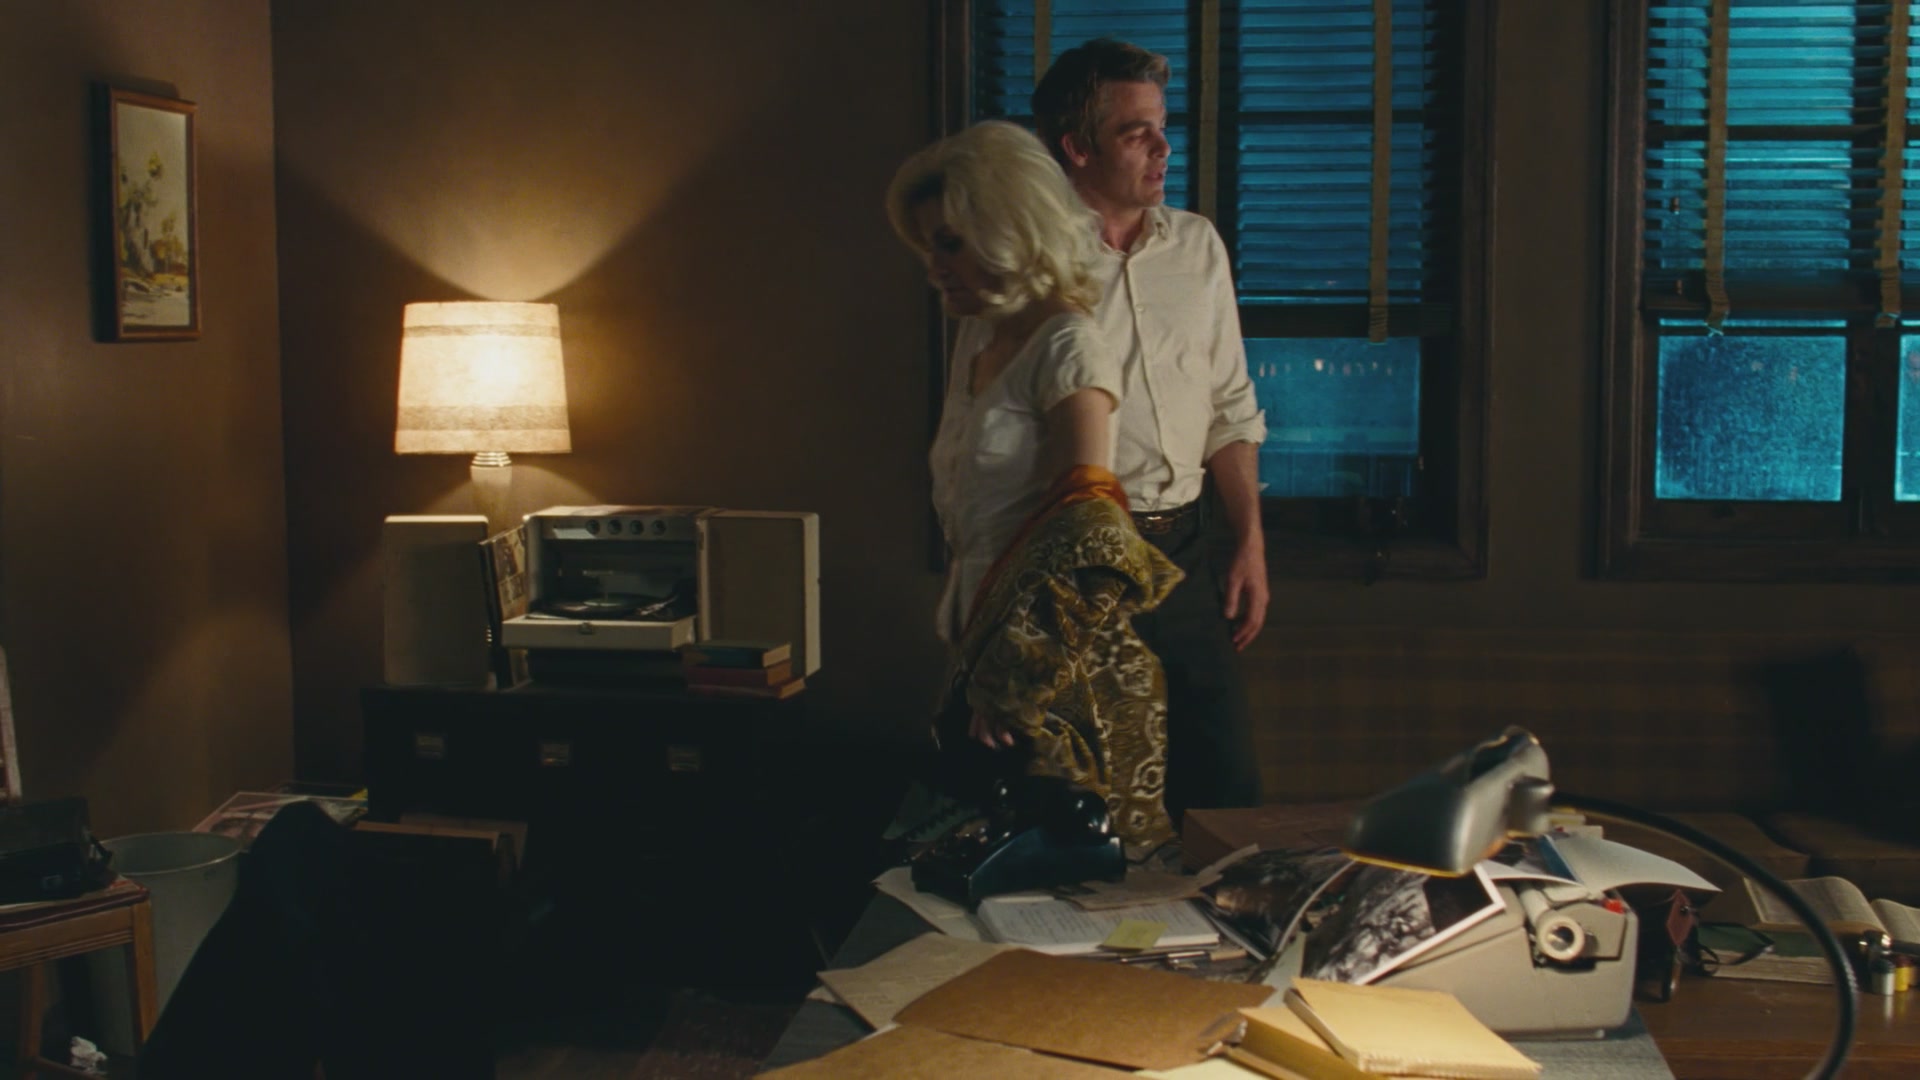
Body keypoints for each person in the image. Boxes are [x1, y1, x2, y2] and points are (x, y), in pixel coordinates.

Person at [886, 120, 1184, 849]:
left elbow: (1090, 536)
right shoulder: (982, 337)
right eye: (928, 247)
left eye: (950, 243)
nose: (935, 267)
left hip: (1053, 675)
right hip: (984, 656)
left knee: (1048, 882)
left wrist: (1013, 681)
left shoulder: (1069, 346)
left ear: (1011, 232)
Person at [1032, 38, 1270, 823]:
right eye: (1137, 134)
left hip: (1185, 550)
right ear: (1077, 147)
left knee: (1225, 788)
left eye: (1163, 129)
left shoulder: (1196, 246)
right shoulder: (1031, 259)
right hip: (1074, 558)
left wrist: (1249, 540)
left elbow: (1230, 405)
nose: (1164, 150)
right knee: (1081, 802)